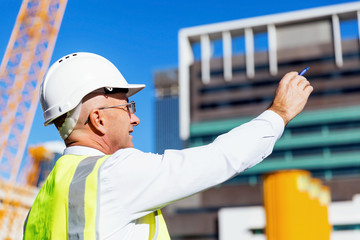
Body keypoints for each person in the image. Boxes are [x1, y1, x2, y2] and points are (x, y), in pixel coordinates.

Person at [23, 52, 313, 239]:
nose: (135, 119)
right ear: (98, 119)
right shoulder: (113, 175)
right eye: (127, 107)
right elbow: (220, 158)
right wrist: (280, 113)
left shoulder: (42, 203)